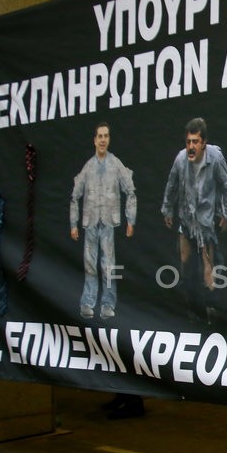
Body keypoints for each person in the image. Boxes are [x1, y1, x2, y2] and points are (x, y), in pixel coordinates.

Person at [161, 118, 227, 325]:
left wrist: (225, 213)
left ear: (203, 142)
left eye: (195, 141)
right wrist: (167, 209)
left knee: (208, 269)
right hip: (186, 220)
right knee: (186, 265)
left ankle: (212, 310)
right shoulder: (180, 159)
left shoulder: (215, 158)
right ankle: (192, 310)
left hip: (206, 223)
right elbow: (171, 185)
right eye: (188, 142)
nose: (191, 146)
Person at [69, 122, 136, 320]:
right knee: (90, 264)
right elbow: (75, 195)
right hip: (90, 222)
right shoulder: (88, 167)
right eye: (100, 136)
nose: (103, 140)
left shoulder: (115, 164)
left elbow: (130, 190)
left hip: (108, 222)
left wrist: (130, 219)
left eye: (106, 136)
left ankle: (108, 303)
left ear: (109, 139)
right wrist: (74, 223)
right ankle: (88, 302)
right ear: (95, 139)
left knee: (109, 265)